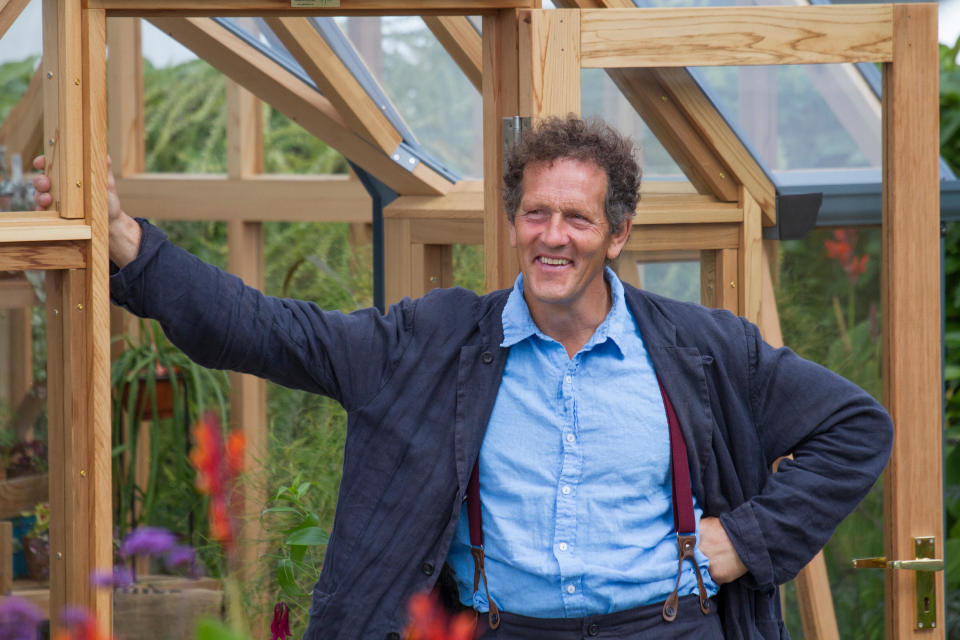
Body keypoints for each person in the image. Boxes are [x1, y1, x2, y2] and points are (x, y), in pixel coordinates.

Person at [34, 116, 892, 640]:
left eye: (577, 218)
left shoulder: (703, 351)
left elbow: (859, 429)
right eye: (535, 212)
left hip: (667, 634)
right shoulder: (431, 341)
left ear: (619, 235)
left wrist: (747, 542)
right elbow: (267, 332)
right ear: (516, 221)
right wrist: (126, 245)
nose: (552, 236)